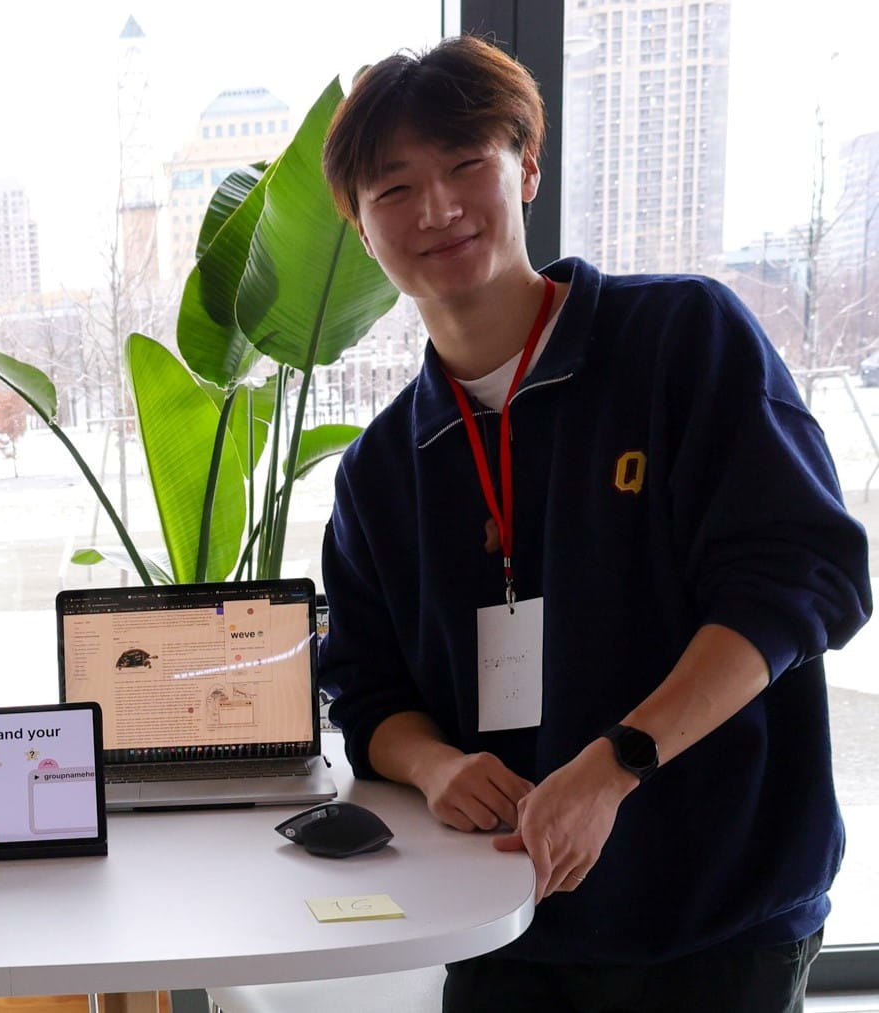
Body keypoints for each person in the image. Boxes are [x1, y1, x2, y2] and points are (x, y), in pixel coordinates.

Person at [316, 35, 871, 1013]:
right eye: (393, 188)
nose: (435, 209)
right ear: (362, 229)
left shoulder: (681, 341)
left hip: (716, 915)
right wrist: (435, 763)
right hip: (506, 922)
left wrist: (619, 761)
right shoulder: (379, 472)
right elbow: (364, 686)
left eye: (462, 165)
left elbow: (800, 580)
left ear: (526, 167)